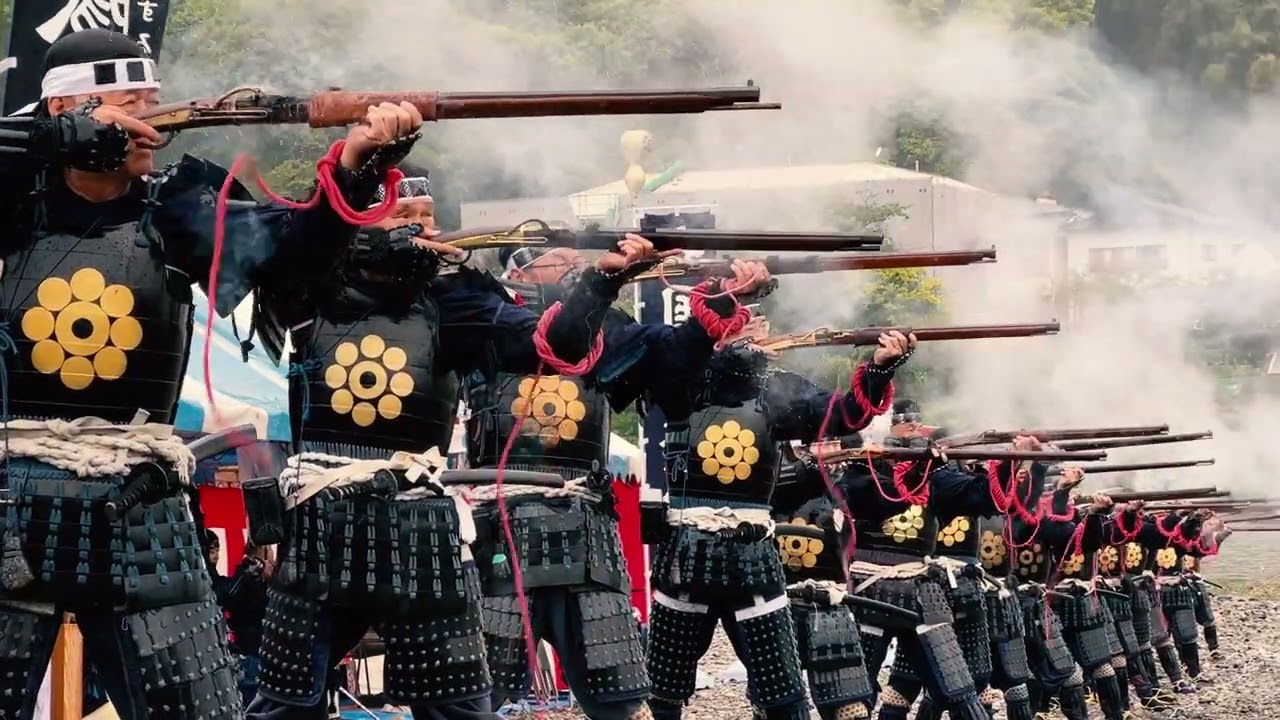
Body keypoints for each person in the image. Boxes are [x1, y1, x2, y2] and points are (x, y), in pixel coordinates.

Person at [0, 27, 420, 720]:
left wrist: (354, 166)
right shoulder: (17, 198)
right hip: (11, 493)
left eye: (153, 101)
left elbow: (293, 262)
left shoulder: (180, 206)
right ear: (64, 112)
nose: (149, 119)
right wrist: (57, 143)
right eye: (127, 103)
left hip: (139, 503)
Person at [245, 171, 678, 720]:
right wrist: (356, 165)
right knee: (284, 706)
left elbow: (550, 347)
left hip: (422, 526)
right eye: (406, 217)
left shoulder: (456, 296)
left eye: (428, 216)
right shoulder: (311, 283)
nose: (423, 228)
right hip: (323, 525)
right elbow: (297, 240)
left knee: (459, 708)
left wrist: (599, 283)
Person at [466, 245, 771, 720]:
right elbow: (555, 338)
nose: (572, 266)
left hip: (585, 529)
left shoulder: (606, 325)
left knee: (619, 699)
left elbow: (666, 365)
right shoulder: (489, 311)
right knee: (478, 695)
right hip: (503, 524)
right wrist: (598, 286)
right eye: (560, 258)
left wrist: (714, 311)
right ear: (519, 268)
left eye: (575, 259)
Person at [643, 299, 915, 720]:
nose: (758, 331)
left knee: (783, 692)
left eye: (758, 322)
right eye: (744, 322)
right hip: (684, 550)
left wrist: (880, 368)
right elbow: (699, 379)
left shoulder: (777, 386)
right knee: (660, 693)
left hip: (753, 554)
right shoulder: (684, 374)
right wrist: (730, 353)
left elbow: (844, 415)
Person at [837, 435, 1048, 720]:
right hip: (867, 591)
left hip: (921, 594)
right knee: (852, 703)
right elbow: (872, 501)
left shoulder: (935, 477)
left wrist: (1013, 459)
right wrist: (911, 473)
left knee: (960, 689)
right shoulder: (859, 474)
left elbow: (986, 496)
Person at [1041, 482, 1128, 720]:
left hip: (1083, 603)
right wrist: (1061, 493)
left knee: (1103, 666)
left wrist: (1121, 512)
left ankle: (1116, 715)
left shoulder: (1092, 527)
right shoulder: (1049, 524)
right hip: (1052, 603)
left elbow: (1113, 534)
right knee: (1062, 671)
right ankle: (1042, 709)